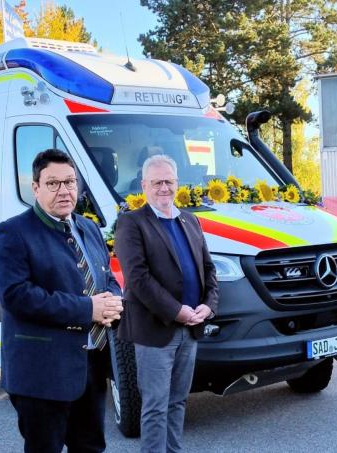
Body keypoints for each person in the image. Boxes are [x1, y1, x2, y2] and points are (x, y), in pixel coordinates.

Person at [0, 149, 123, 452]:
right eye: (53, 184)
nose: (64, 190)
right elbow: (17, 296)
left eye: (70, 182)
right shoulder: (12, 233)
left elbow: (106, 277)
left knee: (90, 448)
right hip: (41, 374)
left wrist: (114, 300)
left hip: (89, 367)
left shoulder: (88, 227)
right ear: (35, 187)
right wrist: (89, 308)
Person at [115, 154, 219, 453]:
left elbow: (208, 270)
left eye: (169, 181)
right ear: (144, 185)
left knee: (178, 402)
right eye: (157, 182)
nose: (164, 188)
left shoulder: (191, 220)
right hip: (156, 331)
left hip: (191, 329)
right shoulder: (131, 223)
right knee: (156, 407)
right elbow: (137, 278)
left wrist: (208, 306)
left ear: (177, 183)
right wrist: (177, 311)